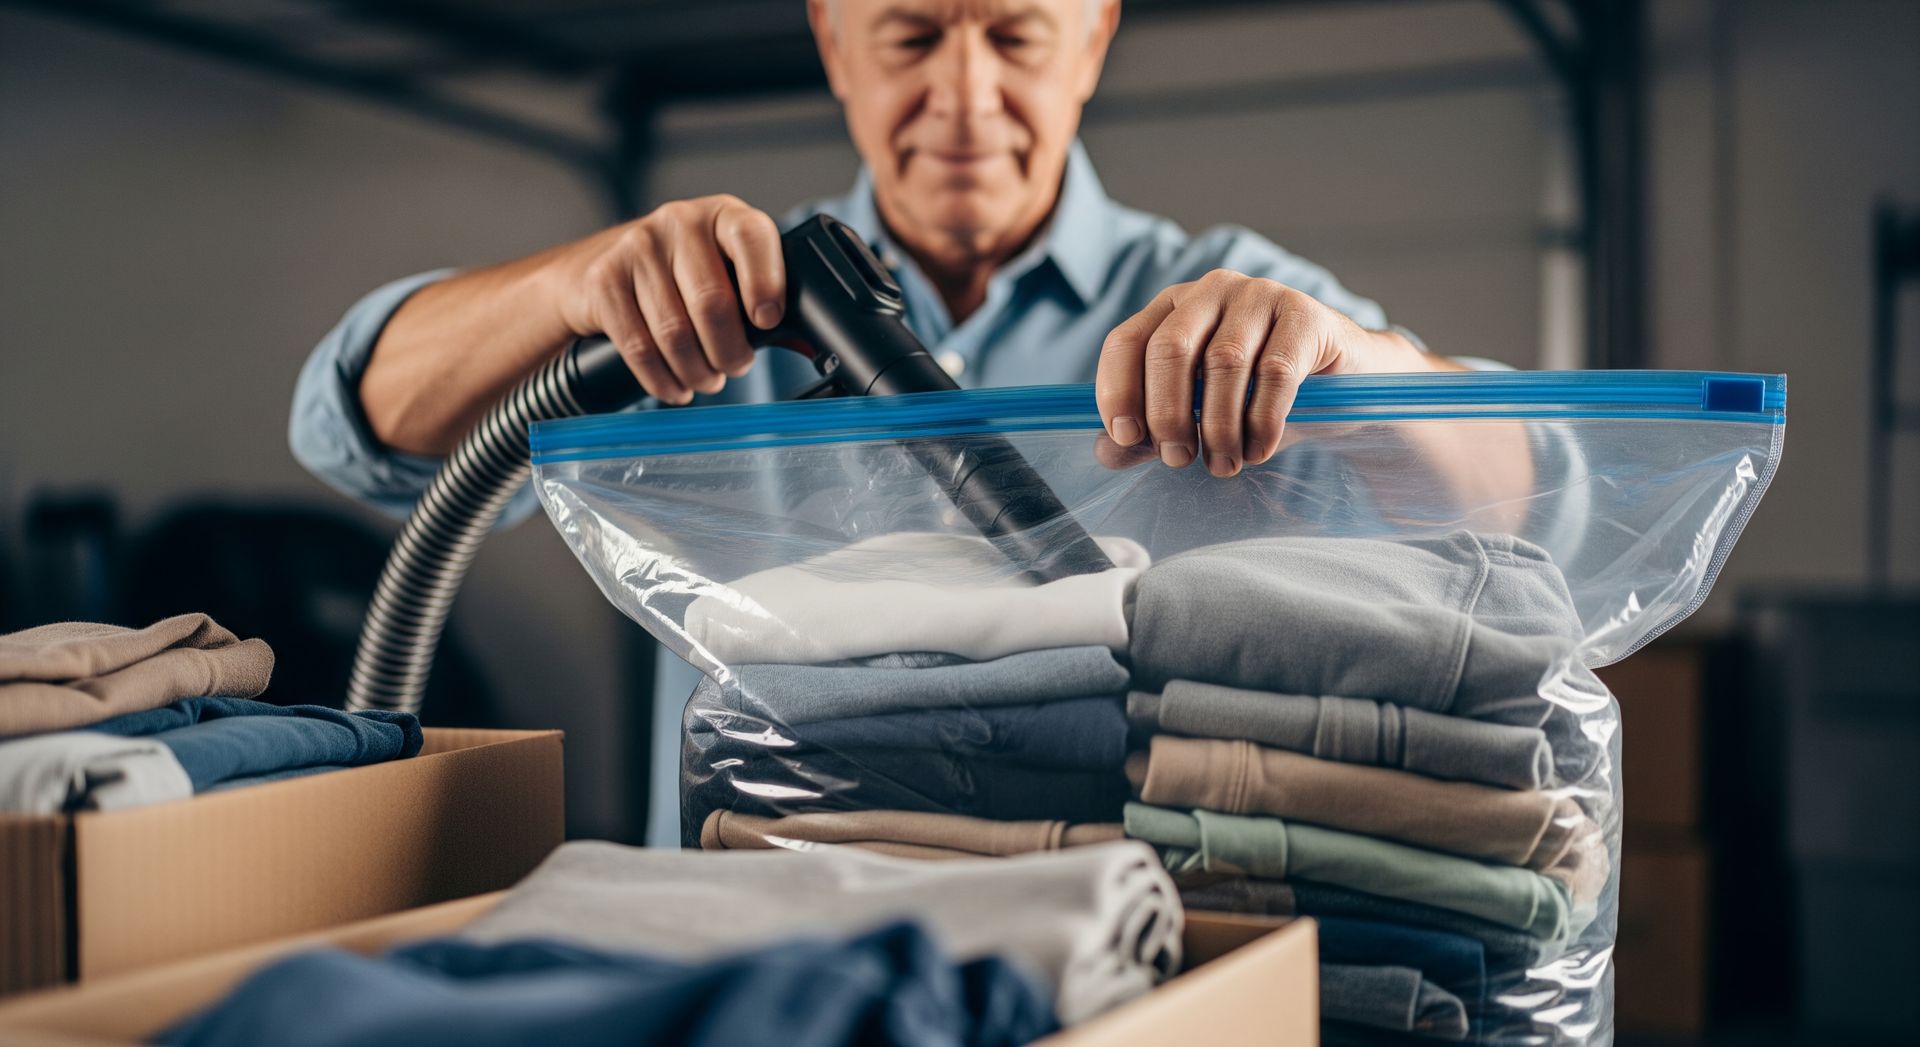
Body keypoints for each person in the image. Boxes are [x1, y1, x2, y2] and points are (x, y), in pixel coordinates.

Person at [291, 0, 1533, 844]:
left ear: (1094, 34)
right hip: (766, 932)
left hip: (1129, 936)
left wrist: (1356, 368)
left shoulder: (1234, 299)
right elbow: (356, 426)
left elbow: (1533, 498)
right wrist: (567, 292)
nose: (963, 93)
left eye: (1013, 33)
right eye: (910, 34)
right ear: (833, 38)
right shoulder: (706, 306)